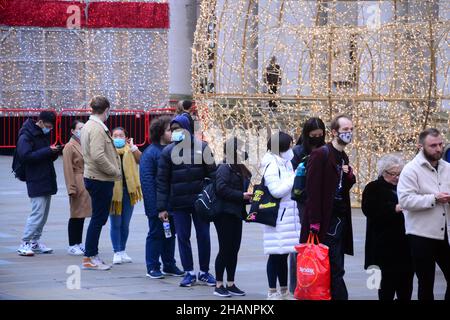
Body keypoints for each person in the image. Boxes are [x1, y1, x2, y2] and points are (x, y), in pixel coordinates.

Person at [156, 114, 217, 287]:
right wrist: (162, 207)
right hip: (179, 203)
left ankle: (204, 271)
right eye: (173, 130)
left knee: (203, 236)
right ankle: (189, 271)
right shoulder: (168, 152)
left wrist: (211, 198)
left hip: (200, 203)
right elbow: (161, 181)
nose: (175, 133)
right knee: (183, 237)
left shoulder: (202, 148)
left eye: (178, 129)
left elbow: (213, 175)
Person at [300, 114, 356, 300]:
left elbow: (342, 185)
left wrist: (349, 176)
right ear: (333, 132)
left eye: (351, 130)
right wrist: (314, 222)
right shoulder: (320, 154)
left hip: (340, 220)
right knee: (333, 268)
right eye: (345, 130)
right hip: (326, 221)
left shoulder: (343, 155)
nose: (349, 133)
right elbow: (313, 191)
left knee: (335, 267)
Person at [397, 128, 450, 300]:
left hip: (446, 233)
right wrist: (434, 198)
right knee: (426, 283)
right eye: (433, 145)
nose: (438, 149)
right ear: (421, 146)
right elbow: (405, 201)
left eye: (440, 144)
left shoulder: (448, 168)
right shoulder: (410, 169)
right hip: (421, 234)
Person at [362, 153, 414, 300]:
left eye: (400, 174)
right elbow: (369, 210)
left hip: (405, 248)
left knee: (406, 289)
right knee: (385, 290)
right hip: (382, 249)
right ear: (383, 172)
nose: (397, 177)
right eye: (393, 174)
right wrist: (393, 208)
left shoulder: (406, 186)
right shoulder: (373, 188)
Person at [81, 96, 121, 271]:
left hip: (95, 178)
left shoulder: (89, 126)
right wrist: (114, 171)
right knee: (98, 218)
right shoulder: (96, 128)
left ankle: (91, 255)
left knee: (99, 218)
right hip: (100, 179)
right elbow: (98, 156)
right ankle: (90, 256)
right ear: (106, 110)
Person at [140, 116, 184, 279]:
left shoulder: (175, 150)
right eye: (169, 130)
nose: (172, 133)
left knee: (170, 234)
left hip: (173, 202)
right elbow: (147, 182)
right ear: (160, 133)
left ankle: (169, 264)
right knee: (156, 233)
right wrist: (157, 208)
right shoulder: (150, 153)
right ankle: (152, 266)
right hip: (158, 204)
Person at [261, 131, 300, 300]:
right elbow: (276, 191)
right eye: (289, 145)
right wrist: (294, 177)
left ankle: (284, 291)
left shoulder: (285, 163)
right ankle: (272, 291)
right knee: (275, 254)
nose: (292, 148)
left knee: (284, 253)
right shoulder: (272, 165)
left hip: (288, 216)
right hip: (277, 217)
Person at [289, 117, 326, 294]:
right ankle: (298, 284)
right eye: (313, 135)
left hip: (321, 199)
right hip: (302, 199)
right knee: (302, 244)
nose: (317, 138)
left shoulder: (326, 150)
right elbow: (293, 176)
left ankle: (318, 282)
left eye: (320, 135)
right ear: (307, 134)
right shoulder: (298, 151)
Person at [213, 137, 252, 297]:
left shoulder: (238, 167)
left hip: (236, 213)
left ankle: (231, 282)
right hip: (224, 214)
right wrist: (241, 195)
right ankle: (218, 284)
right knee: (225, 248)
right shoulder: (224, 167)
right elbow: (221, 189)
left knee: (234, 249)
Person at [16, 111, 59, 256]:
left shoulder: (42, 133)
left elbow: (44, 156)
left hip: (46, 177)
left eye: (51, 127)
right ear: (40, 122)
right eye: (48, 126)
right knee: (37, 213)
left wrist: (53, 152)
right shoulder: (26, 135)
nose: (49, 129)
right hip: (35, 178)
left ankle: (35, 242)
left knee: (44, 214)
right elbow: (25, 156)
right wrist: (48, 150)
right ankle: (25, 242)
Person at [109, 127, 142, 264]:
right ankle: (116, 251)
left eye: (120, 135)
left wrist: (134, 148)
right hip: (114, 192)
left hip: (129, 191)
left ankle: (122, 250)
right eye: (115, 135)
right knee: (115, 223)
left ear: (126, 137)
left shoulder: (131, 149)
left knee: (125, 224)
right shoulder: (108, 150)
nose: (117, 138)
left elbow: (141, 160)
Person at [63, 120, 92, 256]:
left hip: (86, 180)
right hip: (77, 180)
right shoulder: (69, 146)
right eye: (80, 128)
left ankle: (79, 243)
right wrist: (71, 188)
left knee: (82, 215)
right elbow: (67, 169)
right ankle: (72, 244)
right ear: (73, 131)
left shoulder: (86, 143)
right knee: (75, 214)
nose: (82, 130)